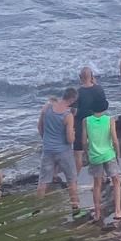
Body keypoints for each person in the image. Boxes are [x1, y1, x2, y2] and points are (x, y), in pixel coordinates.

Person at [36, 88, 83, 216]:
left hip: (48, 149)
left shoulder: (47, 108)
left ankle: (37, 210)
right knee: (71, 179)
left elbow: (40, 127)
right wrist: (73, 134)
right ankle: (75, 208)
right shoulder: (68, 116)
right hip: (63, 151)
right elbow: (69, 139)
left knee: (43, 181)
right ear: (72, 100)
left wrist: (46, 140)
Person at [83, 108, 121, 221]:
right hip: (109, 155)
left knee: (97, 185)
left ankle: (97, 214)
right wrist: (117, 154)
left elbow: (84, 141)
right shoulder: (109, 120)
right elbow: (114, 140)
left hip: (95, 156)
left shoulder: (86, 120)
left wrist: (87, 154)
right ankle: (118, 211)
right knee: (116, 181)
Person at [74, 66, 109, 174]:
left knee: (78, 153)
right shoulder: (99, 89)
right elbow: (104, 106)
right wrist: (97, 85)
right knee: (98, 150)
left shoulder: (77, 92)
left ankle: (75, 179)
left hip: (80, 123)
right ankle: (102, 176)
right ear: (92, 76)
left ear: (80, 77)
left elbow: (74, 111)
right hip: (96, 122)